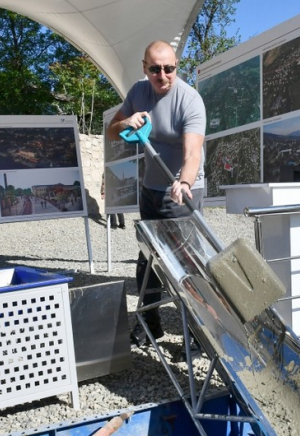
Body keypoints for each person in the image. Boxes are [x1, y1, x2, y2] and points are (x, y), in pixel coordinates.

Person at [108, 40, 206, 350]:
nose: (162, 75)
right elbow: (113, 129)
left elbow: (193, 154)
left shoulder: (190, 100)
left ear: (177, 66)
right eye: (155, 69)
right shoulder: (139, 91)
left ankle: (198, 334)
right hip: (150, 189)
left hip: (181, 192)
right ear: (145, 67)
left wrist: (185, 182)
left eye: (169, 68)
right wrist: (126, 121)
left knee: (185, 265)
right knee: (147, 261)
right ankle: (150, 326)